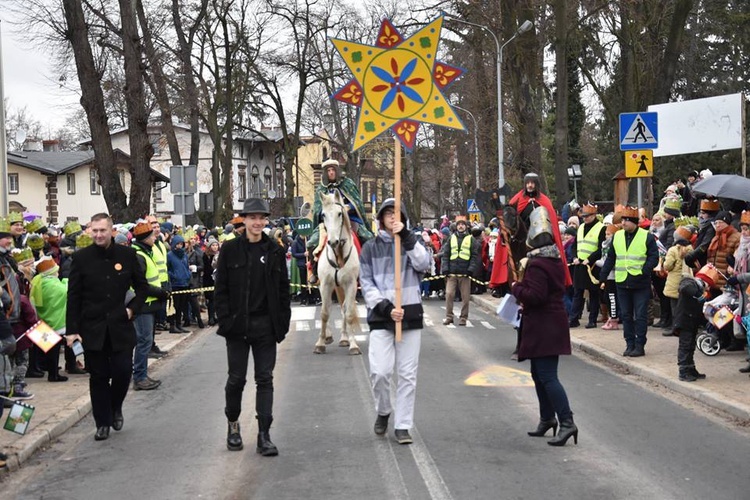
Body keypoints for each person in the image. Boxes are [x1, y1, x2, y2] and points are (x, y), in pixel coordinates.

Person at [214, 198, 291, 455]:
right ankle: (233, 425)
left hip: (265, 326)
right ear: (243, 220)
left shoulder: (274, 251)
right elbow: (221, 289)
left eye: (262, 218)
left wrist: (282, 322)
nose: (257, 222)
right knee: (236, 379)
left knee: (265, 379)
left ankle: (264, 434)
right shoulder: (230, 250)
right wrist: (225, 319)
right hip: (237, 326)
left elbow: (283, 290)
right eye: (252, 217)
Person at [65, 213, 149, 441]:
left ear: (112, 231)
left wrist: (132, 309)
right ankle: (102, 423)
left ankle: (115, 407)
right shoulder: (81, 258)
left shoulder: (128, 255)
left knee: (123, 372)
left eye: (103, 230)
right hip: (92, 328)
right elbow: (73, 296)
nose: (99, 235)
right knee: (98, 377)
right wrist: (71, 330)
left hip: (120, 326)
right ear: (90, 231)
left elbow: (142, 288)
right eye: (95, 231)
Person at [360, 198, 431, 445]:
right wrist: (386, 308)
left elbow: (425, 264)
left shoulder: (413, 242)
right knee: (380, 372)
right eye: (388, 214)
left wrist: (409, 238)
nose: (393, 217)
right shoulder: (370, 247)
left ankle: (403, 425)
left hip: (410, 314)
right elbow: (366, 283)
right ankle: (383, 410)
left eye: (397, 213)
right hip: (382, 316)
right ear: (381, 218)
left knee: (407, 374)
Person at [511, 206, 577, 446]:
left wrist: (515, 288)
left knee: (548, 377)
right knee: (538, 375)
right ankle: (547, 418)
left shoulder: (538, 264)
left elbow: (536, 295)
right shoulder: (553, 260)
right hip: (548, 323)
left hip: (545, 325)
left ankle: (567, 422)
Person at [599, 206, 659, 357]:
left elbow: (654, 257)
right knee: (625, 315)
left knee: (640, 315)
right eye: (622, 220)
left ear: (634, 222)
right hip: (622, 281)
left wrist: (644, 271)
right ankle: (629, 343)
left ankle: (640, 345)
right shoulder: (617, 236)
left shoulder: (647, 236)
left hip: (640, 282)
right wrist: (603, 274)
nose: (623, 223)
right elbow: (611, 257)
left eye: (626, 220)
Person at [130, 221, 170, 391]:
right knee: (144, 341)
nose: (155, 238)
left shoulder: (145, 252)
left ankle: (142, 375)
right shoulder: (139, 256)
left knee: (145, 340)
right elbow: (142, 284)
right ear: (145, 238)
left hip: (149, 304)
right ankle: (139, 377)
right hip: (143, 305)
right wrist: (160, 292)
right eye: (152, 236)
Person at [675, 265, 716, 381]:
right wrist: (698, 295)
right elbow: (685, 288)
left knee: (691, 346)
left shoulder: (697, 290)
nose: (707, 289)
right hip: (685, 320)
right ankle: (683, 371)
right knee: (685, 345)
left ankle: (691, 368)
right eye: (708, 286)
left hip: (692, 321)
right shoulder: (689, 283)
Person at [569, 203, 606, 328]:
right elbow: (575, 245)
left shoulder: (601, 228)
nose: (584, 218)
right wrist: (574, 257)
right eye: (583, 216)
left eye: (587, 216)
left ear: (594, 215)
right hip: (579, 263)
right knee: (577, 292)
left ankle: (592, 320)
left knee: (593, 293)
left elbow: (602, 248)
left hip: (593, 265)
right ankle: (573, 318)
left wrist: (590, 259)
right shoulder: (581, 227)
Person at [441, 215, 480, 326]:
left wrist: (471, 270)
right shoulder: (451, 238)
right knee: (449, 294)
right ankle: (449, 317)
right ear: (456, 226)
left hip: (465, 273)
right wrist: (445, 269)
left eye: (463, 224)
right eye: (459, 224)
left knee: (465, 297)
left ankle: (463, 317)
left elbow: (474, 256)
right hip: (452, 273)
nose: (461, 226)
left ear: (466, 226)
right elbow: (446, 255)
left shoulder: (470, 239)